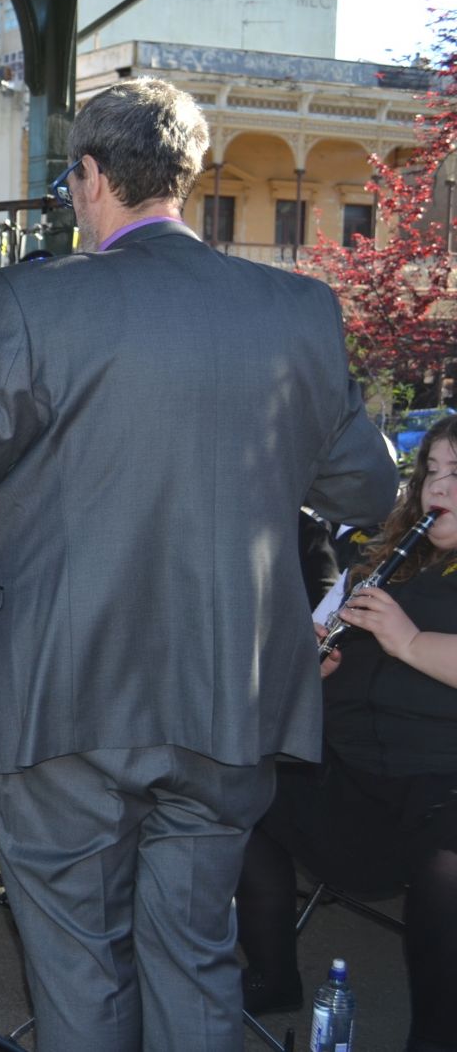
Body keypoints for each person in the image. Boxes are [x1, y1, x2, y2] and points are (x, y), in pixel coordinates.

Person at [0, 77, 398, 1050]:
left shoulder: (30, 304)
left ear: (88, 177)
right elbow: (366, 491)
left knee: (82, 977)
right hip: (224, 696)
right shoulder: (294, 311)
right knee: (193, 961)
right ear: (184, 178)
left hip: (62, 700)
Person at [237, 419, 457, 1051]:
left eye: (455, 472)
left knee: (449, 872)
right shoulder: (383, 563)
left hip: (443, 781)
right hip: (352, 768)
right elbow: (316, 655)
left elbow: (409, 651)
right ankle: (273, 972)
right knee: (237, 791)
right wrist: (320, 668)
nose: (437, 486)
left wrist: (408, 641)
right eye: (431, 473)